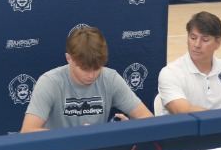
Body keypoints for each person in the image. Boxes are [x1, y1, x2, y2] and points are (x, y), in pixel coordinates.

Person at [20, 26, 153, 132]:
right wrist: (71, 137)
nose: (91, 75)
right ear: (69, 58)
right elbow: (27, 131)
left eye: (97, 68)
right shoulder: (49, 82)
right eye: (84, 68)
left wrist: (129, 127)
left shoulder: (110, 78)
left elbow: (148, 119)